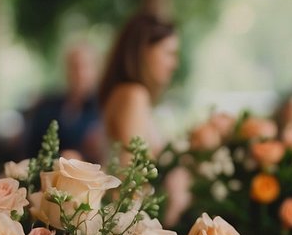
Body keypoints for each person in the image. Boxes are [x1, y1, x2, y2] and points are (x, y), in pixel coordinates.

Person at [99, 13, 179, 156]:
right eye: (168, 53)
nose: (174, 64)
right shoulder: (133, 95)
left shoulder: (125, 92)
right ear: (144, 51)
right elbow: (133, 170)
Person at [23, 43, 103, 161]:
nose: (80, 73)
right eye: (74, 66)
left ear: (96, 70)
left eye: (85, 66)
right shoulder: (47, 107)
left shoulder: (104, 108)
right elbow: (29, 150)